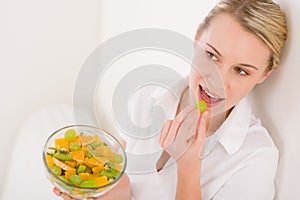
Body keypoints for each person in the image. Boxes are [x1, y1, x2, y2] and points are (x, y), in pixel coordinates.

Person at [54, 0, 287, 199]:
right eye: (211, 55)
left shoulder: (256, 158)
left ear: (265, 74)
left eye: (241, 71)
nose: (217, 81)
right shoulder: (145, 95)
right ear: (196, 38)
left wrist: (188, 167)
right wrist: (118, 192)